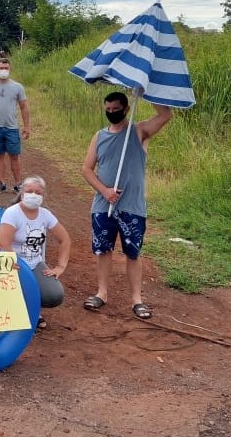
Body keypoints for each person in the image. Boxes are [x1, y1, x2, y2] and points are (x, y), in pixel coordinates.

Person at [81, 91, 172, 319]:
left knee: (133, 252)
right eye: (108, 109)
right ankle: (101, 293)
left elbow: (166, 115)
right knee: (103, 250)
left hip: (132, 206)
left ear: (126, 109)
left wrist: (147, 91)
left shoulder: (139, 132)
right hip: (103, 205)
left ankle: (136, 300)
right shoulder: (99, 136)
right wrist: (105, 191)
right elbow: (86, 169)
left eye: (116, 109)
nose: (112, 113)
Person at [0, 176, 71, 329]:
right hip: (13, 263)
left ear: (43, 195)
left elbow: (65, 239)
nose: (34, 195)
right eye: (29, 191)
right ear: (22, 193)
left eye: (38, 192)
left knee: (54, 295)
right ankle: (19, 311)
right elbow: (3, 243)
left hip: (35, 263)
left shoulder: (45, 215)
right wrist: (14, 262)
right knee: (23, 286)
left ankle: (31, 310)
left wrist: (60, 266)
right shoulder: (12, 213)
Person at [0, 58, 31, 194]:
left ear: (10, 69)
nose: (4, 70)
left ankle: (18, 184)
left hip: (11, 127)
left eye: (6, 68)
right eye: (1, 68)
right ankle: (1, 182)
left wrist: (26, 126)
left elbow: (24, 107)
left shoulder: (17, 87)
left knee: (14, 156)